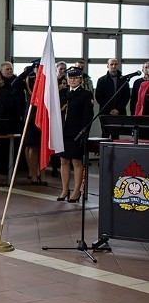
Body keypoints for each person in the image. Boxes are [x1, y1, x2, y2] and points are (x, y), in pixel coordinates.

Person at [56, 67, 94, 203]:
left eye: (75, 77)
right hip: (63, 132)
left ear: (81, 79)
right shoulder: (62, 93)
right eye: (70, 77)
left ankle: (77, 190)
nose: (72, 80)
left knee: (76, 161)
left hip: (77, 133)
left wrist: (84, 134)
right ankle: (65, 189)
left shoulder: (85, 94)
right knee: (64, 160)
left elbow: (87, 116)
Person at [21, 59, 47, 185]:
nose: (39, 70)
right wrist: (27, 72)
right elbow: (14, 85)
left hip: (45, 116)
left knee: (43, 147)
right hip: (31, 117)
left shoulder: (48, 81)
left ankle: (42, 174)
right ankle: (33, 174)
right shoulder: (29, 80)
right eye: (37, 68)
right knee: (32, 146)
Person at [96, 58, 131, 138]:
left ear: (118, 65)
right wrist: (109, 110)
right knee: (105, 134)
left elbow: (126, 96)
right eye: (111, 64)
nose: (113, 66)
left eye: (115, 64)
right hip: (105, 112)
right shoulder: (101, 80)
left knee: (116, 135)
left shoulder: (124, 79)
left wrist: (118, 109)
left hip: (119, 112)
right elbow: (99, 96)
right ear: (107, 66)